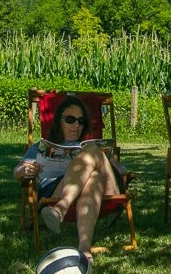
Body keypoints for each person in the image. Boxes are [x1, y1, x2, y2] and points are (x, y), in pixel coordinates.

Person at [13, 94, 127, 264]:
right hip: (58, 190)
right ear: (59, 121)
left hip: (108, 191)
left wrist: (113, 163)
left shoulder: (89, 145)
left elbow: (123, 171)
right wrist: (25, 169)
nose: (76, 125)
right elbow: (17, 172)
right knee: (93, 177)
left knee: (92, 151)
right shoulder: (42, 147)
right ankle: (85, 248)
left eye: (81, 121)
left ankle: (60, 209)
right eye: (70, 119)